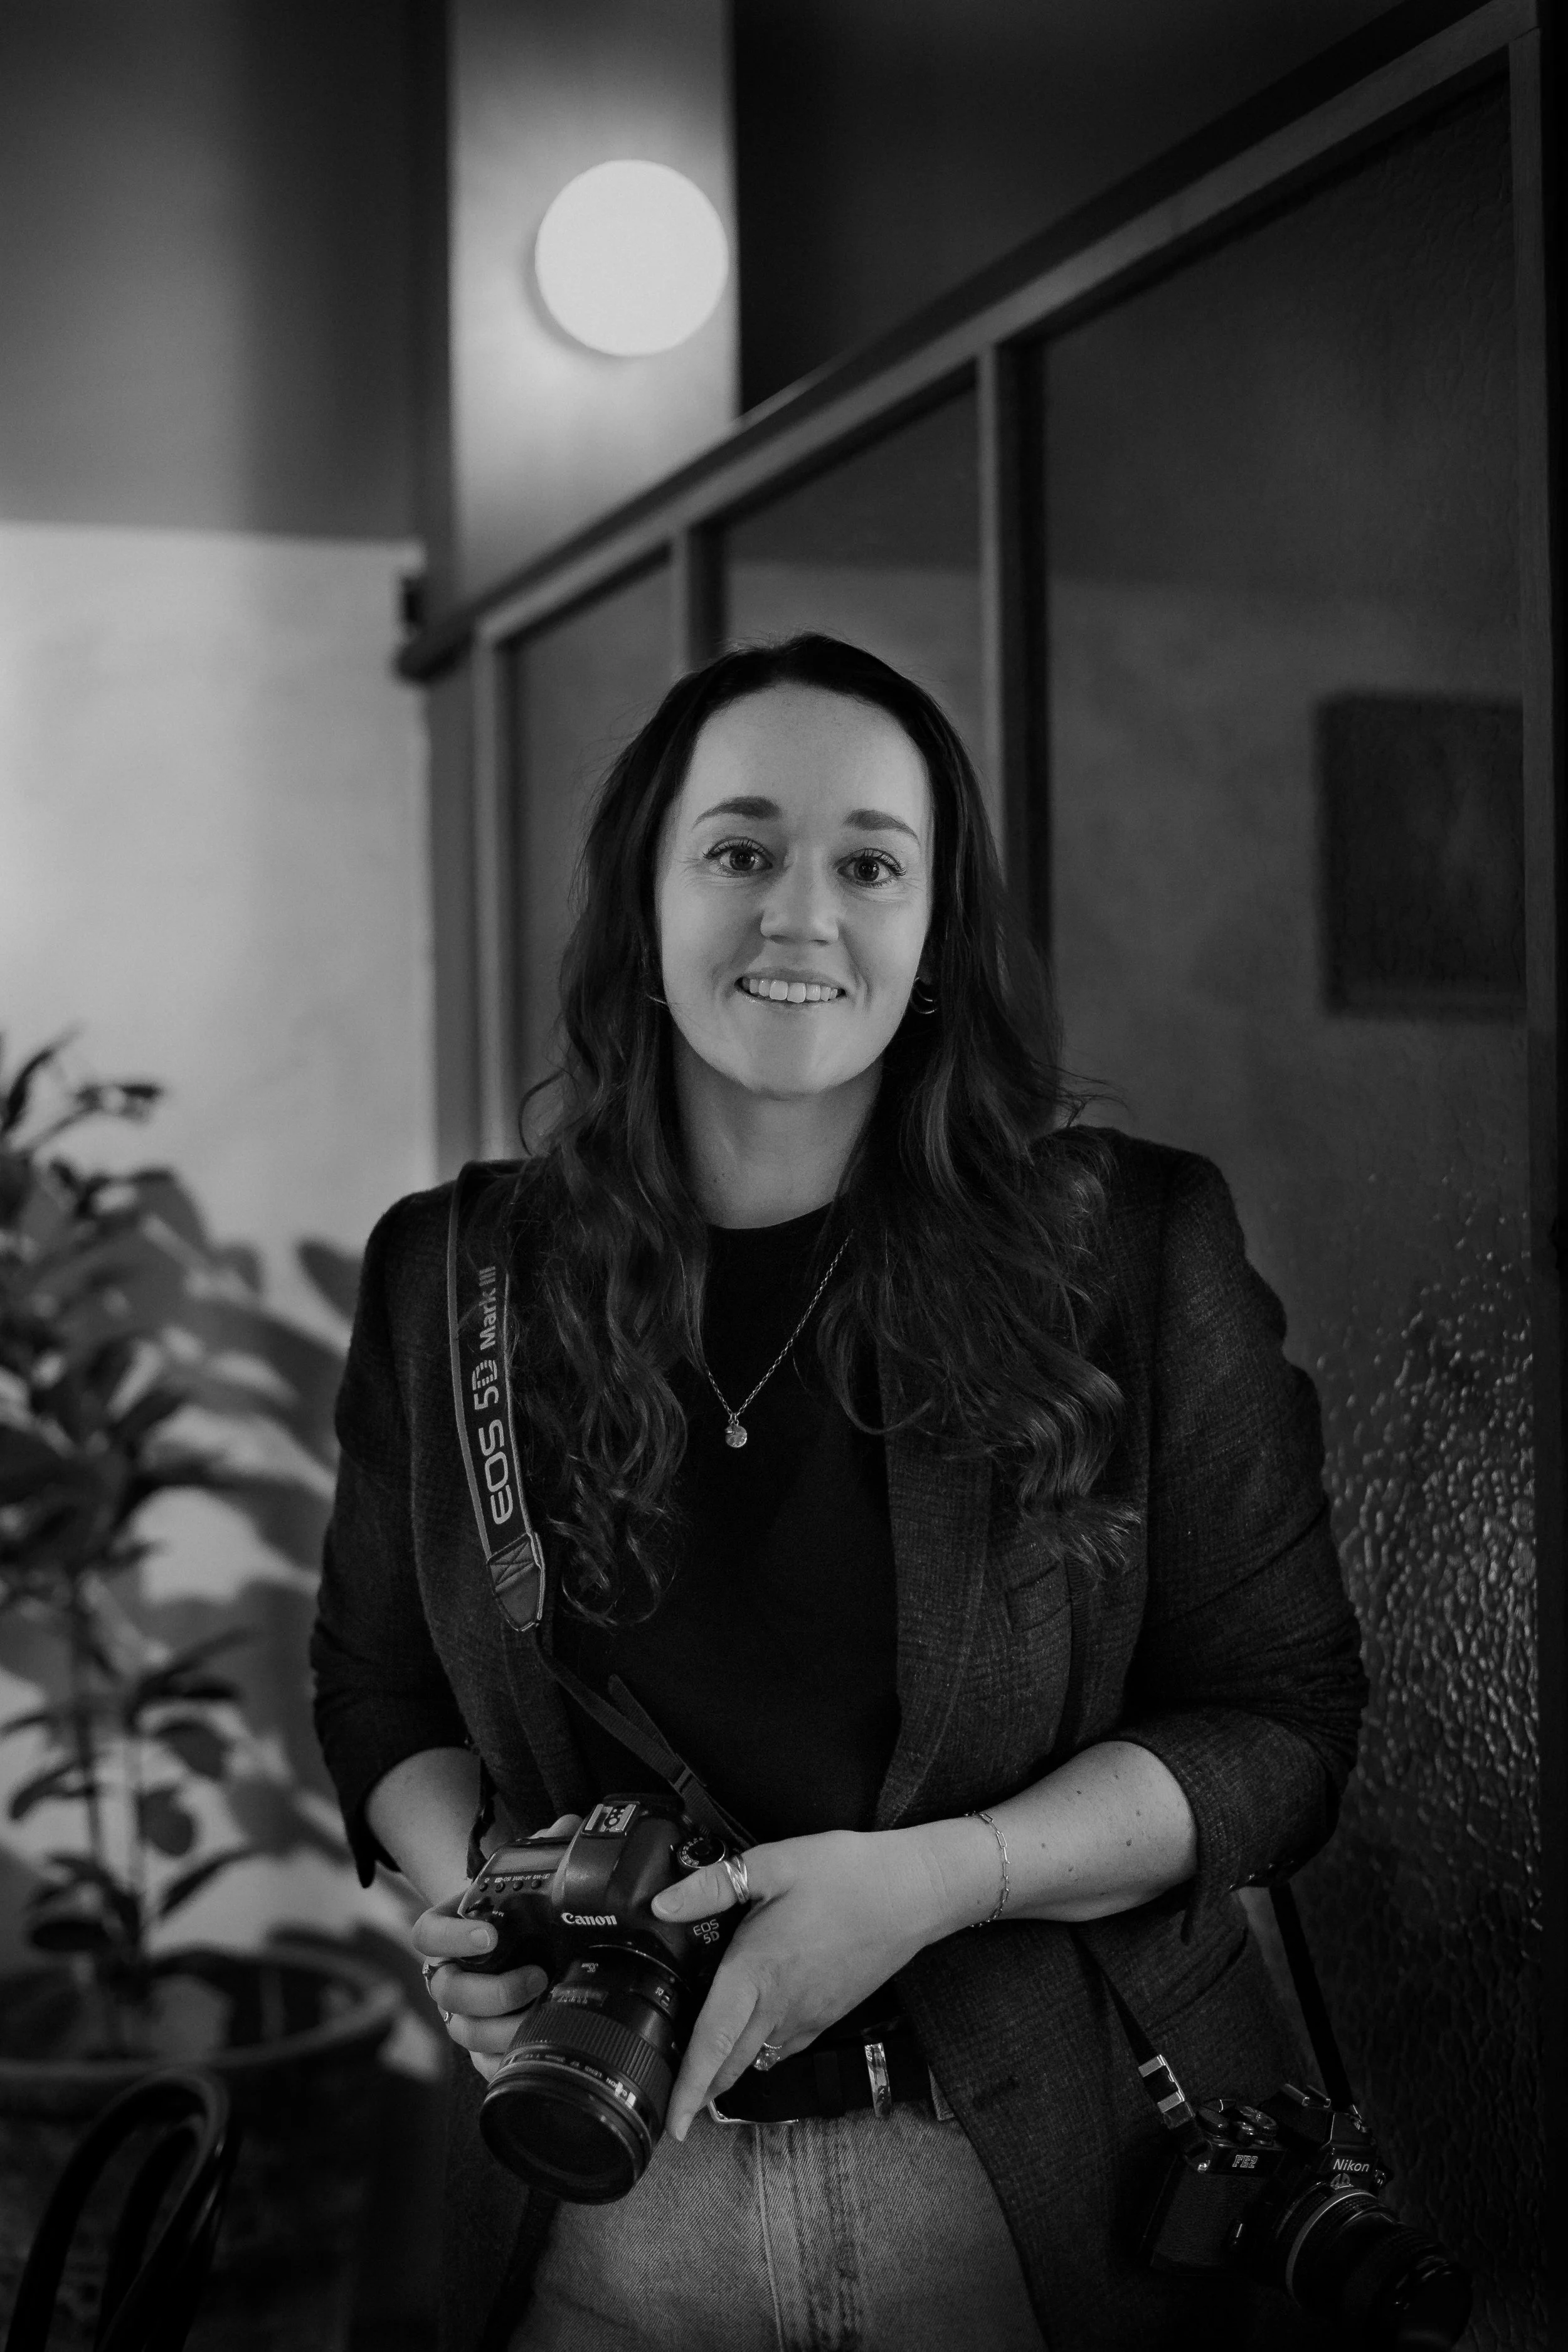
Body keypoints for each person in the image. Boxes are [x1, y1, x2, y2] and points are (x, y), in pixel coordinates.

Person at [311, 633, 1367, 2352]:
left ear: (932, 930)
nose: (800, 910)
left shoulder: (1126, 1251)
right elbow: (375, 1686)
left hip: (1035, 2191)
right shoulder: (457, 1277)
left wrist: (941, 1877)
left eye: (868, 862)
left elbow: (1281, 1724)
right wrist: (476, 1902)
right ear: (642, 912)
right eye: (737, 850)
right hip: (600, 2199)